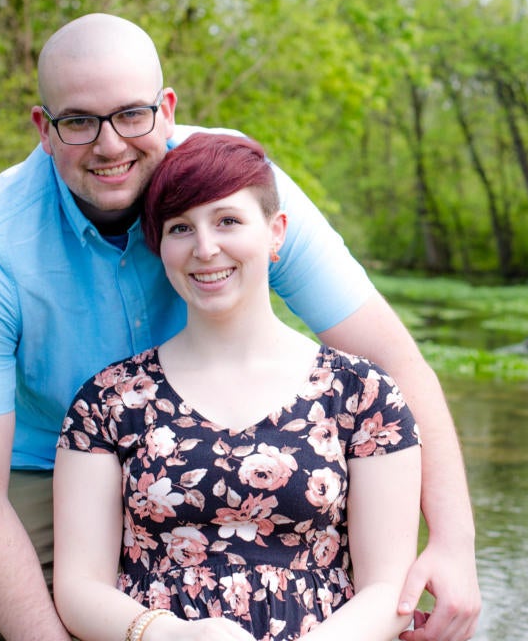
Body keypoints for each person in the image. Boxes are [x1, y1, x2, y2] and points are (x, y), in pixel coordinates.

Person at [0, 13, 479, 641]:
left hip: (226, 462)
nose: (110, 144)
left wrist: (454, 541)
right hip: (42, 469)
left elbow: (395, 362)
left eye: (131, 114)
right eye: (79, 121)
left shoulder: (232, 187)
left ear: (166, 109)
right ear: (44, 128)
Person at [53, 133, 422, 641]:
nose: (206, 249)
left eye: (227, 221)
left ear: (276, 233)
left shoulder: (363, 395)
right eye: (181, 228)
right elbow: (77, 587)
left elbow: (388, 590)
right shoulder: (110, 401)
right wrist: (172, 636)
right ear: (160, 247)